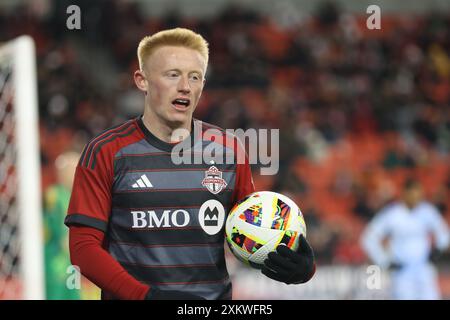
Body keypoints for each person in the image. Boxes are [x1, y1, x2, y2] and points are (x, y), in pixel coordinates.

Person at [65, 28, 315, 300]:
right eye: (172, 74)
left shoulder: (228, 149)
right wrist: (146, 297)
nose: (185, 85)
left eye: (194, 77)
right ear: (142, 80)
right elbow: (84, 250)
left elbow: (249, 232)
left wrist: (300, 267)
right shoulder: (105, 151)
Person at [361, 178, 450, 299]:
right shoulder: (392, 214)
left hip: (424, 268)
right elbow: (369, 237)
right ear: (404, 193)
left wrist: (438, 250)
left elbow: (444, 232)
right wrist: (383, 260)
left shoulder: (427, 211)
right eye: (412, 195)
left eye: (418, 195)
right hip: (402, 271)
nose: (416, 199)